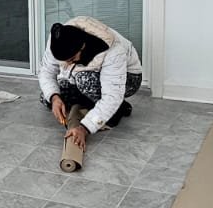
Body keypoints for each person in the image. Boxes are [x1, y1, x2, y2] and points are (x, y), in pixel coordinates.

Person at [37, 15, 143, 158]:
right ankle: (95, 104)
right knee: (46, 97)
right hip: (85, 75)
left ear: (82, 47)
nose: (67, 65)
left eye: (72, 59)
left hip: (129, 78)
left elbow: (111, 95)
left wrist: (84, 128)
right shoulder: (58, 39)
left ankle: (118, 108)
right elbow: (46, 72)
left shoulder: (113, 51)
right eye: (64, 61)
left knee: (85, 81)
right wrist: (55, 98)